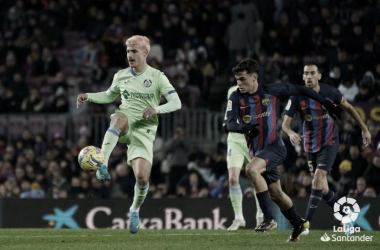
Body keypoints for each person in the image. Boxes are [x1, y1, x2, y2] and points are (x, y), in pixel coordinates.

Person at [226, 58, 341, 242]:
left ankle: (268, 218)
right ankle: (298, 224)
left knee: (251, 169)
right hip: (258, 153)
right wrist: (244, 128)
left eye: (243, 79)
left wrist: (326, 103)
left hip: (275, 147)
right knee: (276, 195)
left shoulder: (272, 90)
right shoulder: (236, 97)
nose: (239, 83)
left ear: (254, 77)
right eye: (237, 79)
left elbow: (301, 89)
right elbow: (230, 123)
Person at [76, 35, 182, 234]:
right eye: (128, 51)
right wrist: (87, 96)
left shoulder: (158, 77)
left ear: (145, 52)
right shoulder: (121, 75)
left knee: (142, 178)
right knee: (118, 118)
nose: (130, 55)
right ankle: (103, 162)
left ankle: (134, 209)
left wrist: (155, 109)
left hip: (145, 130)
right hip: (126, 120)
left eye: (134, 51)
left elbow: (177, 103)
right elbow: (109, 95)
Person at [282, 61, 371, 235]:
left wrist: (364, 128)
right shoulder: (296, 96)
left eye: (312, 73)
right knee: (322, 188)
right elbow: (285, 124)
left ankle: (305, 224)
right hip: (310, 145)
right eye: (306, 73)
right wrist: (291, 133)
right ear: (303, 76)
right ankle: (347, 216)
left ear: (319, 76)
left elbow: (350, 108)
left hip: (330, 142)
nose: (309, 76)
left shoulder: (331, 92)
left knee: (317, 178)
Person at [223, 85, 263, 231]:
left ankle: (260, 216)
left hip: (253, 140)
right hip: (235, 140)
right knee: (233, 178)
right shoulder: (231, 91)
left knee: (256, 178)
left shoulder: (259, 92)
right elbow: (228, 114)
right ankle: (239, 218)